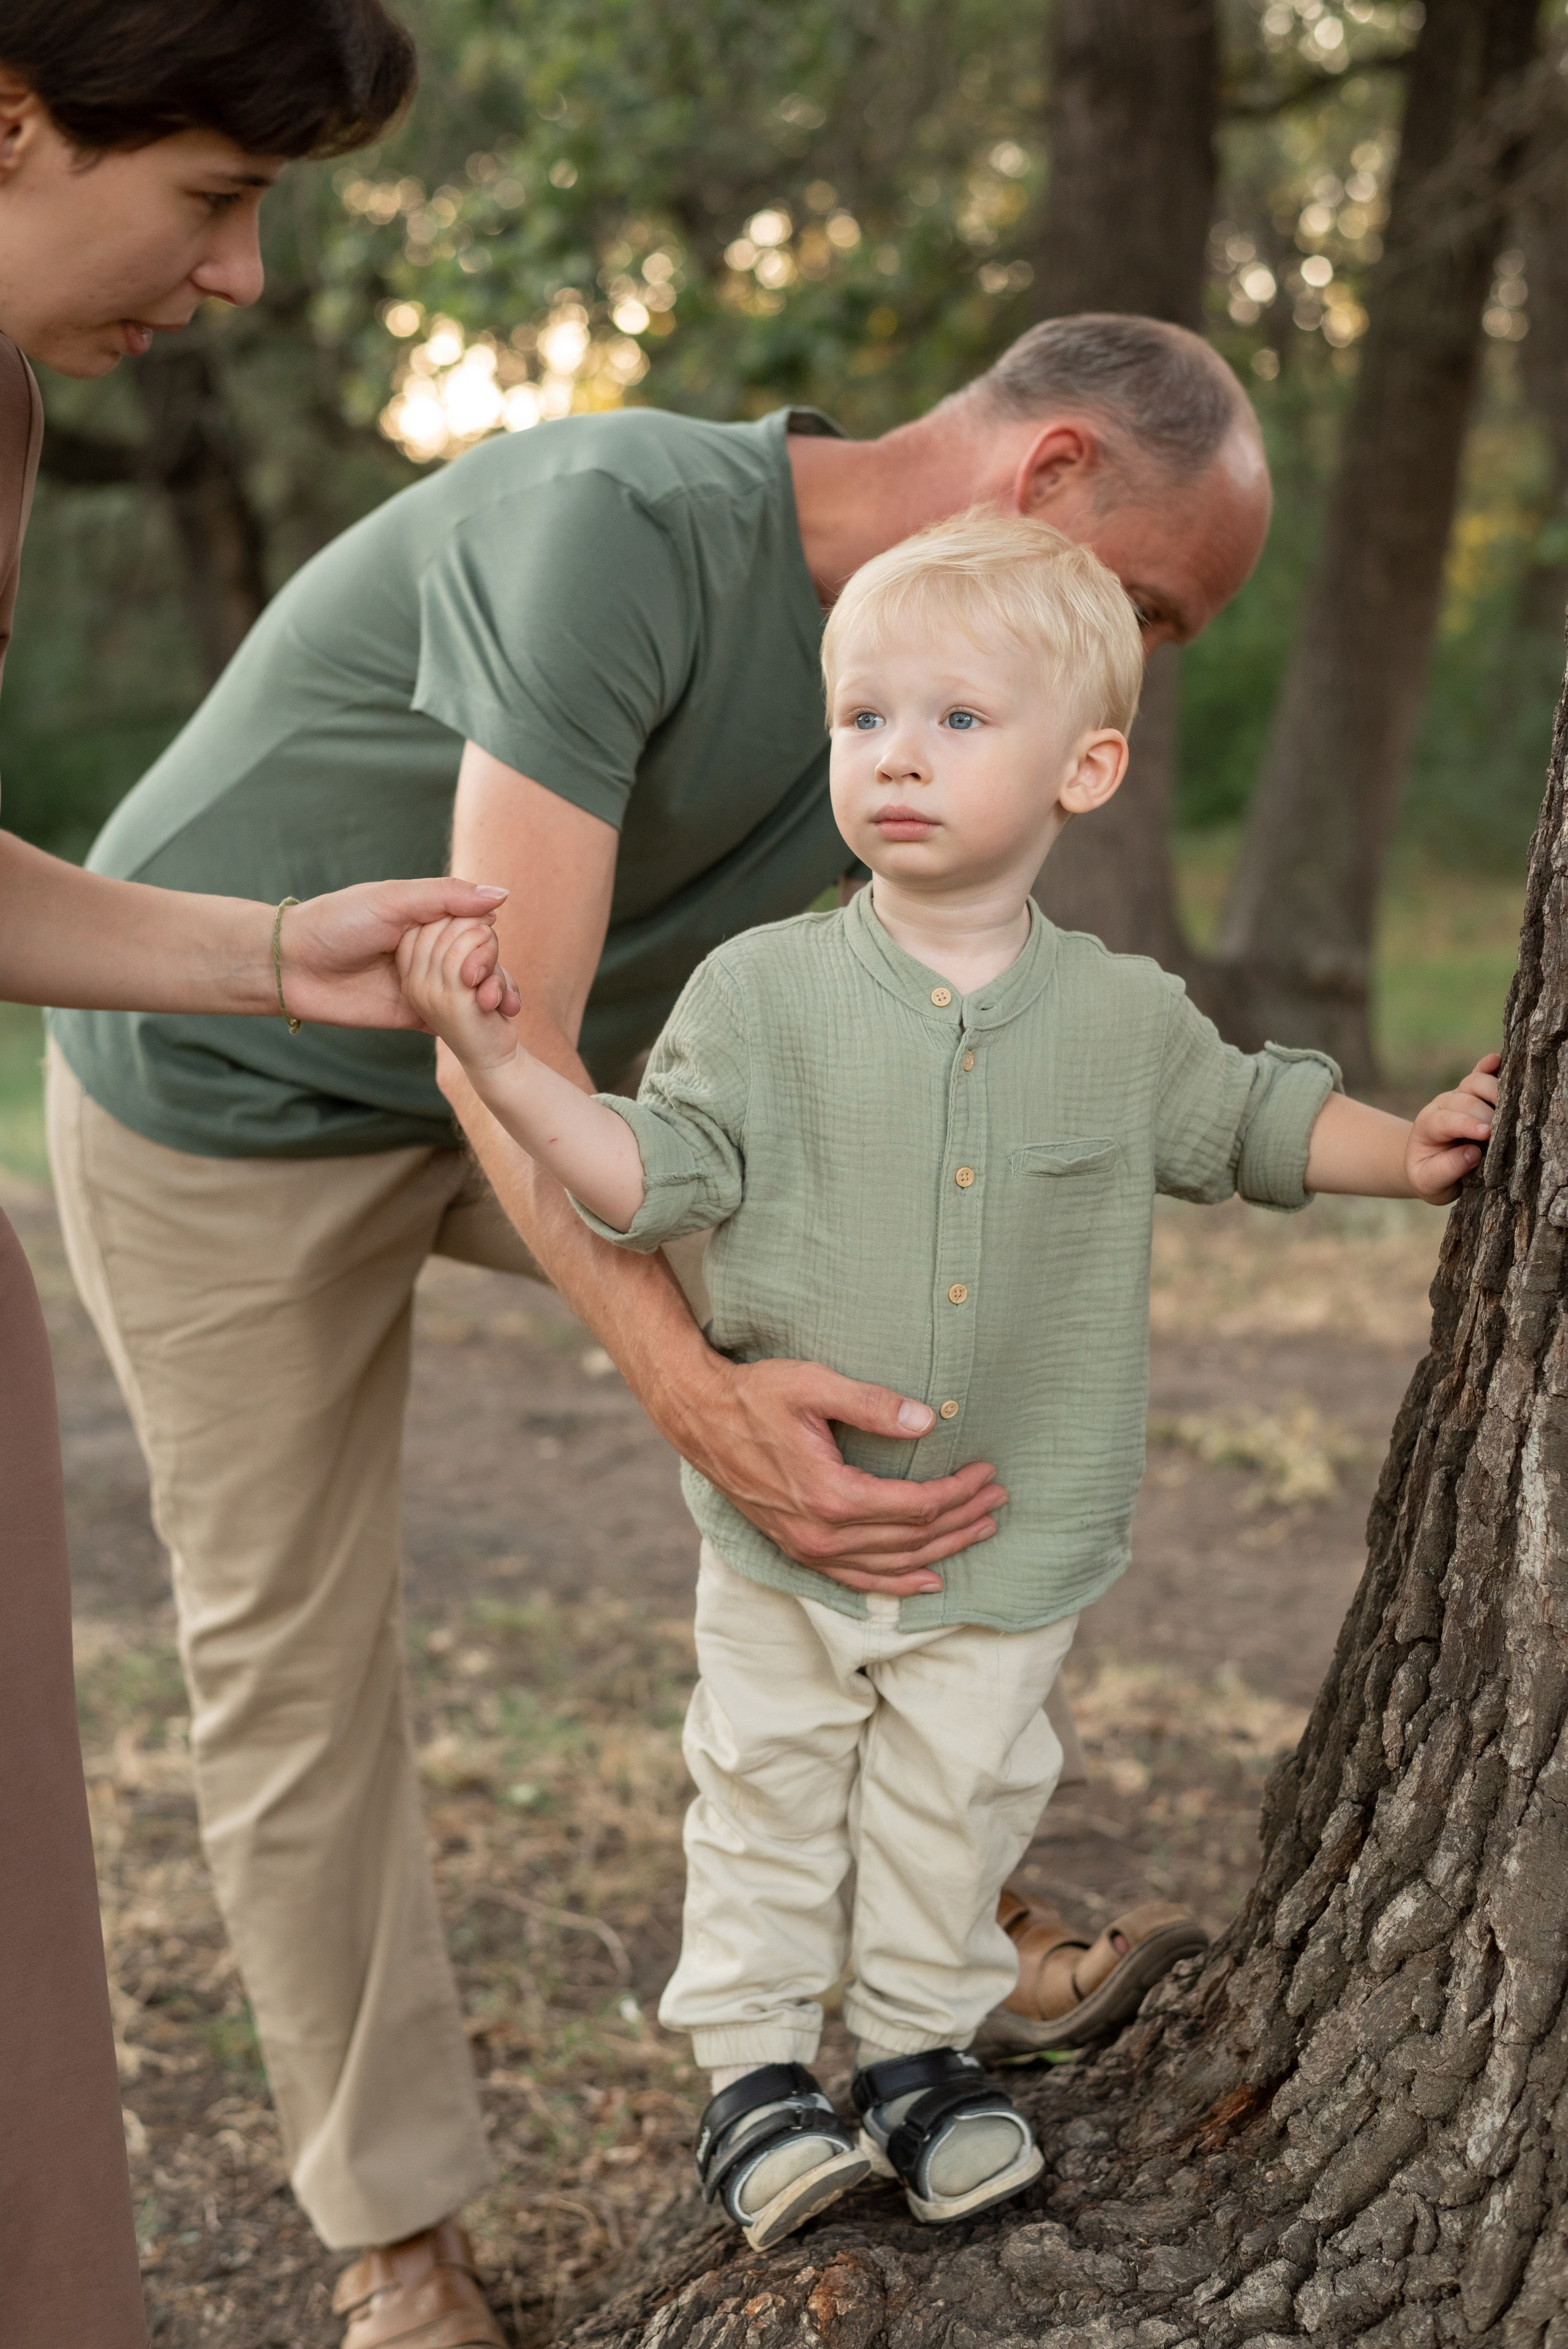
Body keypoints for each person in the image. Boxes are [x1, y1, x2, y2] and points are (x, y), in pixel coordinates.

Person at [46, 313, 1272, 2329]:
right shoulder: (614, 526)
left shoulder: (939, 685)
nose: (1134, 660)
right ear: (1048, 472)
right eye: (1144, 604)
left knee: (904, 1326)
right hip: (223, 1094)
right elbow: (501, 1028)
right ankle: (396, 2247)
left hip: (545, 1098)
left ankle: (936, 1937)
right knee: (287, 1651)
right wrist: (694, 1388)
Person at [394, 510, 1501, 2250]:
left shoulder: (1121, 1018)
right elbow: (639, 1172)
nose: (898, 755)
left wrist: (1410, 1146)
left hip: (1008, 1529)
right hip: (788, 1538)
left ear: (1088, 768)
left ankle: (918, 2053)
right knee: (765, 1786)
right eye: (865, 719)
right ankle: (756, 2076)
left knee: (959, 1800)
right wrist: (502, 1062)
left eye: (958, 720)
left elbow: (1252, 1121)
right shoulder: (760, 993)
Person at [0, 7, 522, 2345]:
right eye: (212, 199)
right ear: (11, 122)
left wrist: (269, 950)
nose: (240, 279)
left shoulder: (5, 411)